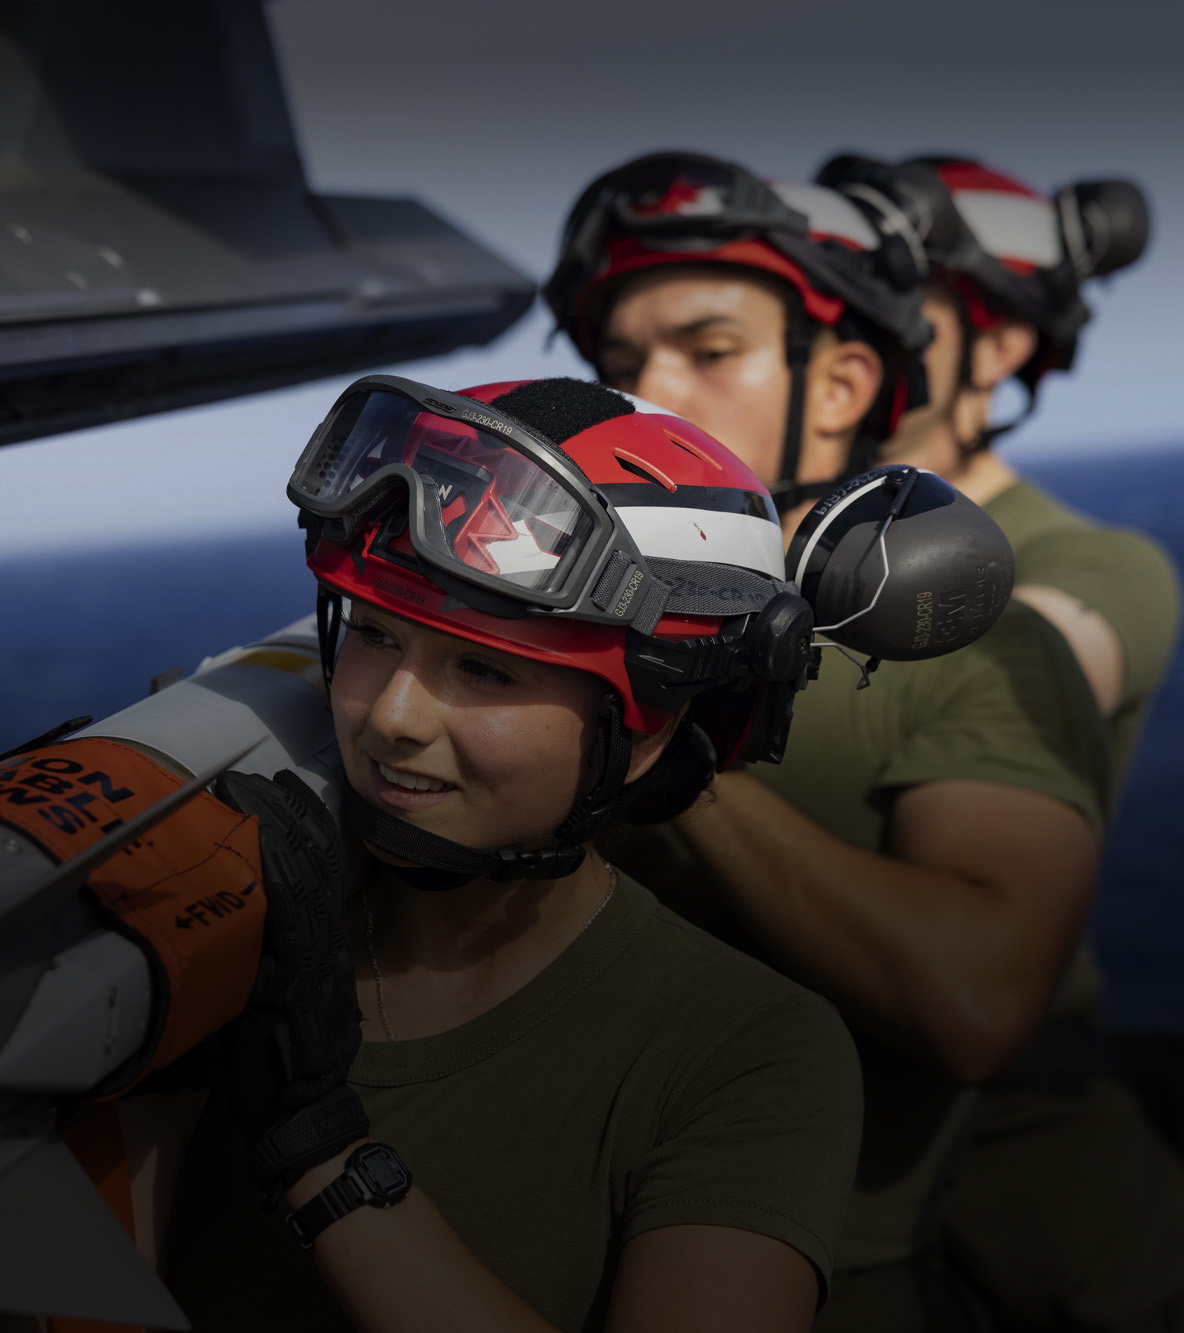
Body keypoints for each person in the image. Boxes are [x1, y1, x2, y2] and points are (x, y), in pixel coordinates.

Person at [153, 376, 867, 1331]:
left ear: (647, 728)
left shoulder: (750, 1050)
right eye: (374, 632)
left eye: (483, 668)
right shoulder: (236, 931)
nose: (394, 717)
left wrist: (316, 1143)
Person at [545, 152, 1118, 1328]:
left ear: (842, 383)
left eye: (707, 351)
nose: (646, 395)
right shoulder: (552, 617)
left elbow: (978, 999)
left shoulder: (983, 647)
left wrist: (672, 757)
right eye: (618, 363)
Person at [816, 153, 1184, 1330]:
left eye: (893, 300)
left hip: (1027, 1187)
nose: (849, 328)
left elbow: (1012, 665)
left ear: (1000, 346)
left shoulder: (1088, 565)